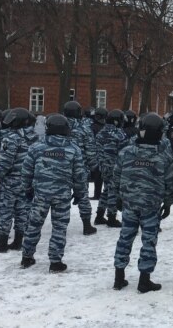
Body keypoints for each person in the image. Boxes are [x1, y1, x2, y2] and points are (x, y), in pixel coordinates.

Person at [112, 113, 173, 293]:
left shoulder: (126, 152)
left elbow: (115, 177)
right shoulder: (164, 156)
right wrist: (168, 203)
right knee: (148, 242)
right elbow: (170, 182)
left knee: (125, 238)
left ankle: (119, 277)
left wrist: (117, 197)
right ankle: (144, 280)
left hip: (129, 204)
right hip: (151, 206)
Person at [19, 115, 86, 272]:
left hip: (40, 195)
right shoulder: (73, 149)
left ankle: (26, 257)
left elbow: (26, 171)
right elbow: (79, 174)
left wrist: (27, 189)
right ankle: (55, 261)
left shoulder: (36, 147)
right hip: (62, 196)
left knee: (33, 225)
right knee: (59, 228)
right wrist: (79, 192)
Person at [0, 108, 34, 253]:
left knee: (5, 211)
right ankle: (18, 241)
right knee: (22, 211)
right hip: (27, 181)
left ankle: (2, 243)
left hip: (10, 182)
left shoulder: (11, 138)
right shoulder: (34, 137)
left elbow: (6, 162)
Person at [63, 101, 98, 235]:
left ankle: (60, 224)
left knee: (61, 196)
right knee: (83, 196)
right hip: (80, 167)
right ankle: (87, 225)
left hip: (60, 168)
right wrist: (93, 167)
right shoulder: (84, 128)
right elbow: (90, 150)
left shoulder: (57, 125)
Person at [94, 110, 128, 228]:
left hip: (103, 167)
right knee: (113, 191)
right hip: (115, 167)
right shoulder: (119, 134)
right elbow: (125, 153)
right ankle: (112, 217)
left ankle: (99, 215)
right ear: (117, 121)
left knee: (107, 189)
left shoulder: (101, 133)